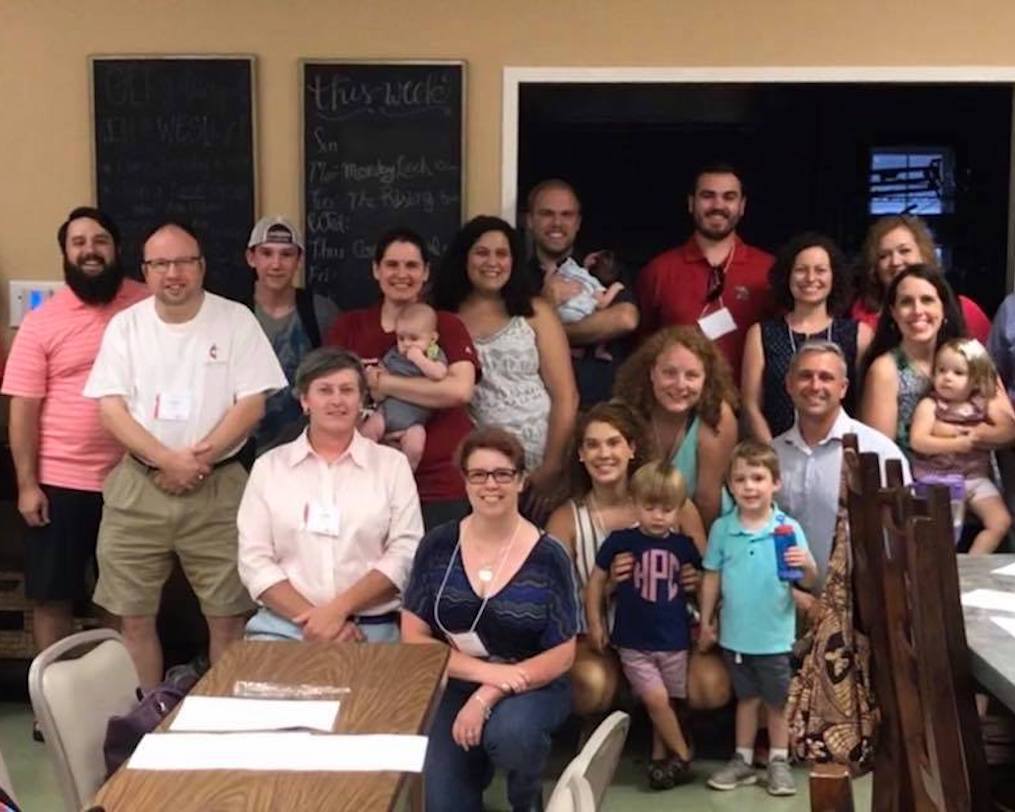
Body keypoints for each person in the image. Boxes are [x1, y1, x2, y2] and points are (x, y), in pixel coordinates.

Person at [83, 220, 287, 688]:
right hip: (138, 486)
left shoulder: (235, 320)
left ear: (201, 266)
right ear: (145, 270)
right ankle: (143, 729)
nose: (173, 273)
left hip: (219, 486)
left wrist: (196, 459)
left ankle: (228, 729)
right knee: (131, 618)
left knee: (230, 617)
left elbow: (252, 402)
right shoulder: (126, 327)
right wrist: (164, 458)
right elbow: (110, 409)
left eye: (183, 262)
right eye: (161, 264)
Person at [1, 207, 147, 738]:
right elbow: (23, 406)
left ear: (117, 248)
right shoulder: (42, 320)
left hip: (136, 482)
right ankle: (55, 712)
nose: (90, 250)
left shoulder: (148, 305)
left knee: (122, 597)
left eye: (100, 240)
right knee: (53, 594)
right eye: (79, 242)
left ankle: (114, 706)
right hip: (60, 483)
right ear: (64, 254)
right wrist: (26, 483)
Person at [402, 427, 577, 812]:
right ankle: (471, 766)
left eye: (502, 474)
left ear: (521, 480)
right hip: (458, 679)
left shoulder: (550, 555)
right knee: (442, 803)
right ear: (464, 481)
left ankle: (526, 799)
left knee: (513, 733)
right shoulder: (437, 545)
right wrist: (482, 676)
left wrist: (489, 692)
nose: (490, 485)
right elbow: (413, 636)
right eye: (478, 474)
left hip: (531, 681)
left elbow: (562, 655)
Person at [546, 402, 731, 756]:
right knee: (591, 684)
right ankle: (602, 720)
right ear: (581, 455)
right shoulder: (566, 520)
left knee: (710, 687)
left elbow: (710, 571)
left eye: (613, 443)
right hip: (604, 639)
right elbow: (555, 602)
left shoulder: (674, 505)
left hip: (669, 632)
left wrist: (693, 582)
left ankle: (672, 724)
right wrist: (607, 589)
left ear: (631, 448)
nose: (604, 454)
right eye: (593, 445)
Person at [238, 348, 422, 643]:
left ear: (361, 400)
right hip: (283, 627)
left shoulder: (391, 466)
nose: (337, 400)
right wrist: (319, 621)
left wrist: (338, 611)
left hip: (369, 629)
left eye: (347, 390)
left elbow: (405, 551)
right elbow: (254, 560)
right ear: (304, 401)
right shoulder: (269, 468)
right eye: (324, 390)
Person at [326, 228, 479, 530]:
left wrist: (383, 383)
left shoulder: (446, 325)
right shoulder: (348, 327)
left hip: (440, 486)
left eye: (412, 266)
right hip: (367, 486)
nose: (401, 274)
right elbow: (329, 399)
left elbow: (459, 391)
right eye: (392, 265)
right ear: (376, 269)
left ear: (426, 273)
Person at [433, 215, 578, 516]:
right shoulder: (441, 317)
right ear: (464, 258)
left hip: (539, 469)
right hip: (479, 471)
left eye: (502, 254)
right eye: (482, 252)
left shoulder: (534, 311)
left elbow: (566, 395)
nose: (493, 262)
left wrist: (552, 467)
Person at [699, 441, 817, 797]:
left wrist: (807, 565)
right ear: (730, 486)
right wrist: (706, 620)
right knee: (746, 700)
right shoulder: (722, 529)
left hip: (775, 637)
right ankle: (743, 759)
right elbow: (712, 577)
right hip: (736, 636)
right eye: (740, 479)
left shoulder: (787, 529)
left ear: (775, 483)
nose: (749, 487)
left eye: (758, 478)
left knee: (777, 702)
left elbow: (809, 580)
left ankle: (779, 760)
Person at [586, 462, 701, 790]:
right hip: (634, 641)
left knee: (667, 702)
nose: (658, 516)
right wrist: (595, 622)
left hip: (675, 639)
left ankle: (661, 760)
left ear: (679, 510)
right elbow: (595, 582)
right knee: (654, 699)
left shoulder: (684, 546)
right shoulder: (621, 541)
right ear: (635, 503)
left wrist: (707, 618)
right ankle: (683, 756)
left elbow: (705, 580)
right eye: (649, 507)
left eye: (667, 509)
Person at [774, 341, 911, 581]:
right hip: (786, 602)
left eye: (826, 377)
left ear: (843, 388)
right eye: (805, 376)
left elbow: (903, 536)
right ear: (789, 385)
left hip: (860, 604)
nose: (815, 386)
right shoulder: (772, 455)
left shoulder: (879, 453)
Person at [637, 163, 774, 381]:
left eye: (729, 197)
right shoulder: (659, 271)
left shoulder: (769, 270)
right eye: (708, 196)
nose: (718, 205)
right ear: (691, 203)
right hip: (677, 404)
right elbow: (642, 349)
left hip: (750, 407)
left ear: (742, 206)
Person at [741, 233, 871, 441]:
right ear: (787, 276)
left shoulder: (859, 334)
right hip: (775, 457)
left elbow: (866, 405)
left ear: (834, 276)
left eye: (820, 270)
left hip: (840, 455)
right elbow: (750, 406)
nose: (811, 278)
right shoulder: (760, 334)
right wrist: (773, 457)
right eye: (801, 270)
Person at [526, 179, 639, 406]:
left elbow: (624, 319)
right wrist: (546, 303)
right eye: (547, 214)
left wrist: (546, 329)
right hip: (544, 412)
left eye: (566, 215)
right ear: (529, 220)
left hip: (606, 410)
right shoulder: (516, 278)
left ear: (578, 222)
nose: (557, 223)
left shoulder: (601, 265)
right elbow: (517, 340)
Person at [614, 325, 739, 529]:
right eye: (669, 373)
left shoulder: (717, 415)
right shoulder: (622, 413)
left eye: (692, 376)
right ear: (652, 372)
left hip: (704, 527)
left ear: (705, 379)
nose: (680, 385)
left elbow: (707, 500)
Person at [910, 338, 1013, 553]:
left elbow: (1007, 427)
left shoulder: (981, 403)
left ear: (976, 380)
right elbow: (918, 441)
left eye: (958, 373)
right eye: (941, 370)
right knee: (944, 535)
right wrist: (956, 443)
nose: (947, 378)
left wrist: (979, 434)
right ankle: (944, 569)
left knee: (1000, 521)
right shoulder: (931, 405)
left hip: (975, 478)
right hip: (939, 478)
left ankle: (971, 565)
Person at [246, 216, 339, 453]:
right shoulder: (234, 312)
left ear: (299, 260)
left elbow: (337, 379)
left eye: (287, 254)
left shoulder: (321, 312)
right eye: (266, 253)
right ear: (251, 258)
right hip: (243, 447)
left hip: (308, 446)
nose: (276, 264)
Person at [861, 264, 972, 453]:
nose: (917, 310)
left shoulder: (969, 355)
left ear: (944, 308)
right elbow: (879, 456)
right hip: (915, 480)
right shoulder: (885, 370)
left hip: (975, 477)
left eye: (927, 300)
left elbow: (1008, 427)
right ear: (894, 312)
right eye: (906, 302)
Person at [852, 213, 991, 343]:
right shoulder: (862, 312)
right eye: (884, 256)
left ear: (924, 254)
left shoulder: (964, 309)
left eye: (904, 250)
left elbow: (987, 365)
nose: (895, 261)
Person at [360, 303, 448, 470]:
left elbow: (439, 374)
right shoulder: (394, 354)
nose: (406, 344)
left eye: (414, 339)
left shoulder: (434, 355)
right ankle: (366, 471)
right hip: (386, 412)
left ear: (432, 339)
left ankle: (406, 476)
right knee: (366, 435)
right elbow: (381, 375)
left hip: (414, 422)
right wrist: (375, 376)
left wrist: (419, 360)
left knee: (415, 448)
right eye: (401, 338)